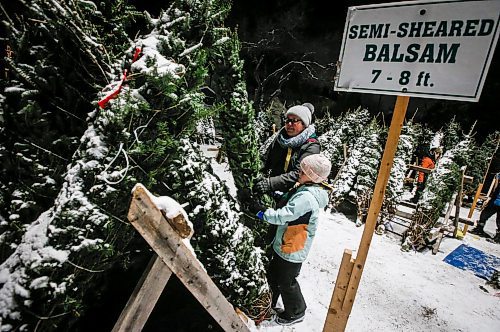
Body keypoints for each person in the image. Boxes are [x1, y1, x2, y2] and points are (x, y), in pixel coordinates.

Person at [250, 154, 332, 326]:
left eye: (302, 172)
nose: (298, 173)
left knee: (287, 281)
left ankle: (296, 311)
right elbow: (290, 202)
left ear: (312, 177)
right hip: (288, 242)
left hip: (293, 247)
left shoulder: (307, 197)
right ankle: (268, 304)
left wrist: (260, 212)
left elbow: (283, 216)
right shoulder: (306, 189)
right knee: (274, 275)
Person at [254, 103, 320, 196]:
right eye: (287, 120)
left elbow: (299, 173)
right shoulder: (281, 138)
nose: (289, 124)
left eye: (294, 121)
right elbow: (267, 158)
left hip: (293, 193)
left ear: (304, 124)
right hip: (272, 189)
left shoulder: (311, 146)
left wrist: (271, 183)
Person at [470, 171, 500, 243]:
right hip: (495, 199)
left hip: (497, 199)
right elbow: (495, 186)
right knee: (484, 214)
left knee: (499, 220)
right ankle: (479, 229)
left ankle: (498, 238)